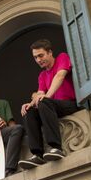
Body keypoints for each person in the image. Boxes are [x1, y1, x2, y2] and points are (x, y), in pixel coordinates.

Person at [18, 39, 80, 169]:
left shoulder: (62, 57)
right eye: (35, 57)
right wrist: (30, 104)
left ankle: (56, 148)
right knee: (29, 111)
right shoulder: (42, 75)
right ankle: (37, 154)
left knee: (44, 102)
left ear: (50, 52)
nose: (38, 60)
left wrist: (45, 97)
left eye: (41, 55)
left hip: (70, 104)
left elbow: (59, 76)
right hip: (52, 106)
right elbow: (40, 94)